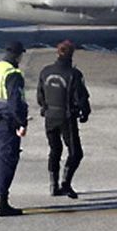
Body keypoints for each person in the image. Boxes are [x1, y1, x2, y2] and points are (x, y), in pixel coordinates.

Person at [0, 40, 30, 217]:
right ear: (18, 55)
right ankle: (2, 202)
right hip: (6, 123)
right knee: (6, 160)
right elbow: (16, 102)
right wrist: (22, 122)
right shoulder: (13, 74)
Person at [37, 40, 91, 198]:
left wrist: (45, 108)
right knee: (75, 152)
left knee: (55, 150)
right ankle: (65, 183)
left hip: (50, 117)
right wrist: (85, 112)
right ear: (71, 54)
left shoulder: (45, 71)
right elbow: (81, 97)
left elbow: (40, 95)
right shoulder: (74, 74)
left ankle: (53, 185)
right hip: (66, 118)